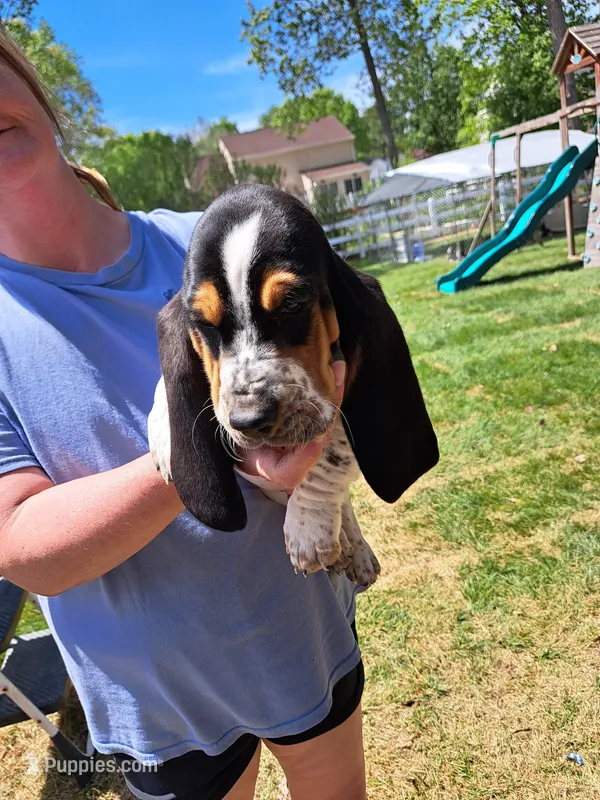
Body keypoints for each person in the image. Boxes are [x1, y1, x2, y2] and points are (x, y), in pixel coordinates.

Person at [0, 26, 367, 800]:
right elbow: (22, 547)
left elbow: (340, 362)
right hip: (153, 700)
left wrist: (328, 458)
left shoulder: (210, 241)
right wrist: (201, 461)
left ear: (40, 94)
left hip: (297, 635)